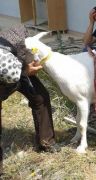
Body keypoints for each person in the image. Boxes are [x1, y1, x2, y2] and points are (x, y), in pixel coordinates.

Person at [0, 25, 60, 155]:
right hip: (4, 75)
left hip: (19, 68)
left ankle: (46, 142)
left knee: (41, 97)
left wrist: (28, 69)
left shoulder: (21, 39)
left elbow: (31, 62)